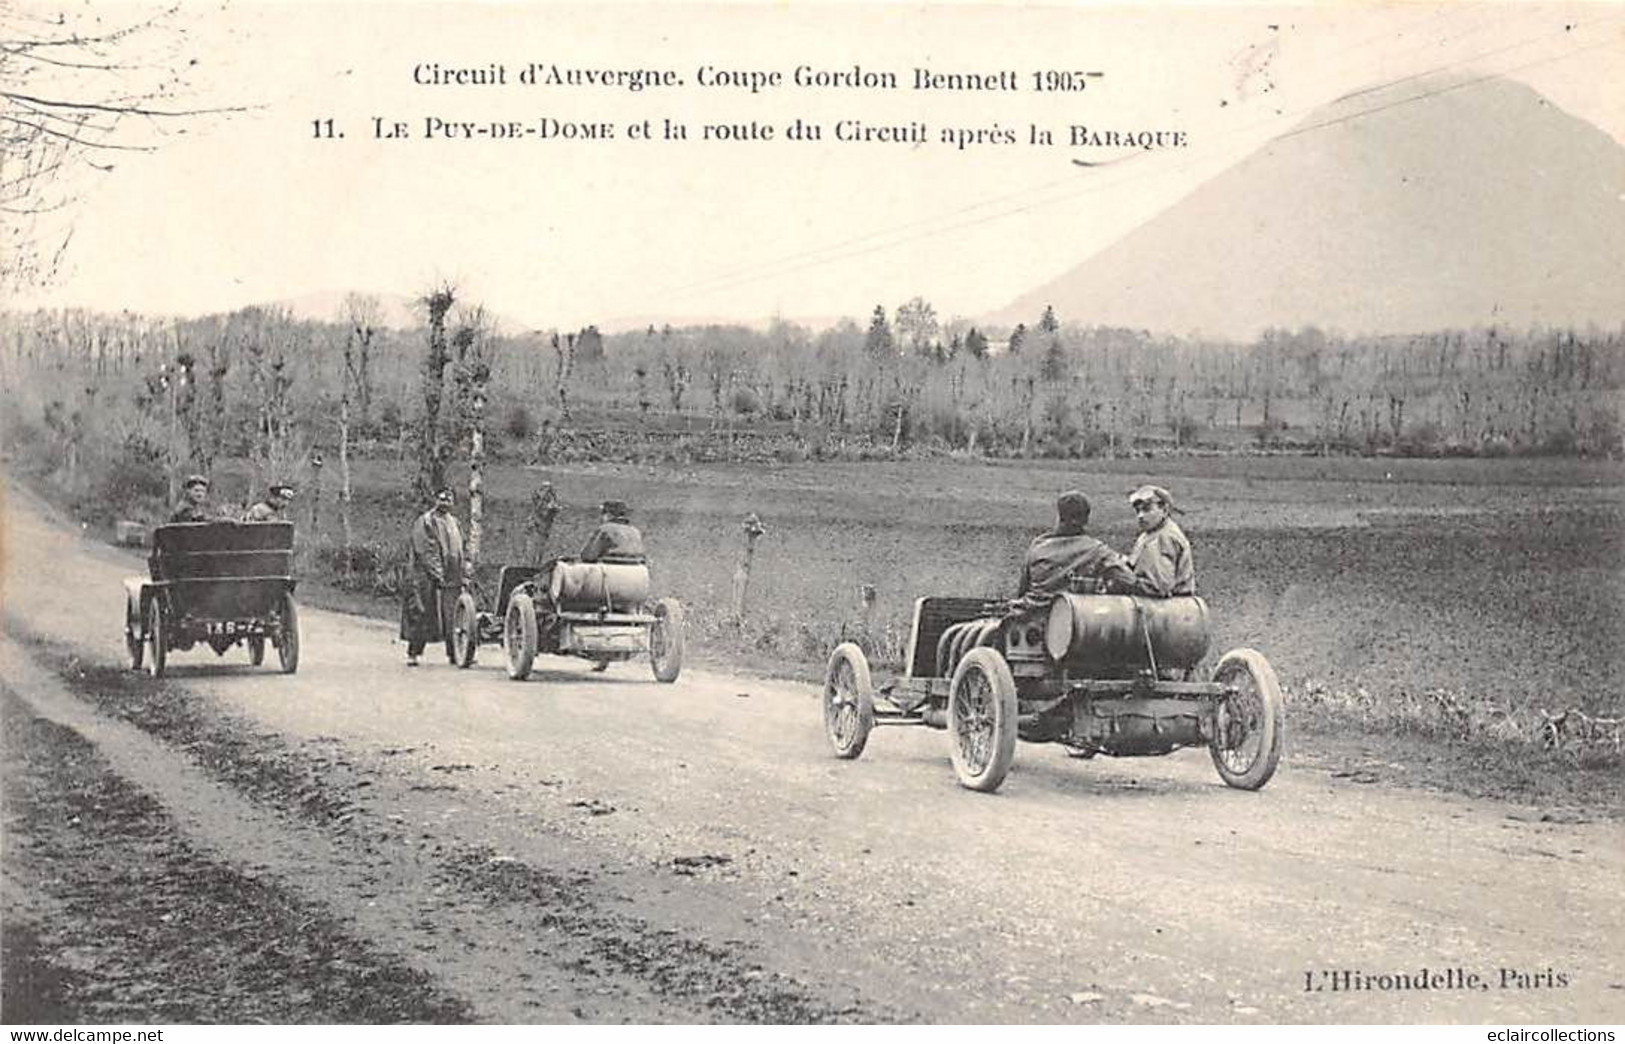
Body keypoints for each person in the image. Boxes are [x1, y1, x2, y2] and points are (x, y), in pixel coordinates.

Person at [1013, 490, 1136, 611]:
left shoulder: (1038, 545)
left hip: (1029, 615)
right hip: (1067, 618)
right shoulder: (1096, 550)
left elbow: (1023, 589)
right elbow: (1129, 580)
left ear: (1059, 516)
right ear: (1086, 520)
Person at [400, 486, 466, 666]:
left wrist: (463, 571)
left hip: (451, 576)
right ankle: (414, 653)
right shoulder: (425, 521)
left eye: (449, 499)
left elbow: (461, 548)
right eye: (441, 498)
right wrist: (437, 573)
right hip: (424, 576)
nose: (445, 502)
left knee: (453, 615)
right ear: (435, 500)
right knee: (420, 612)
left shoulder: (454, 522)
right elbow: (426, 551)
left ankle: (455, 653)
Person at [1127, 484, 1195, 597]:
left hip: (1172, 606)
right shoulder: (1150, 533)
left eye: (1146, 509)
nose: (1140, 516)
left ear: (1164, 510)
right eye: (1138, 511)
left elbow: (1158, 587)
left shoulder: (1165, 537)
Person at [579, 499, 645, 563]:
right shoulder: (635, 531)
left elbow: (588, 555)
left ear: (608, 514)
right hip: (638, 569)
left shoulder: (605, 529)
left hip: (613, 568)